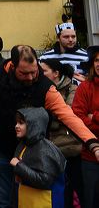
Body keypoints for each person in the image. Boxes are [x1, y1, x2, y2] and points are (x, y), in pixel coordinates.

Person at [0, 45, 99, 208]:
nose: (30, 77)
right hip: (0, 149)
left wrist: (92, 143)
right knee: (2, 202)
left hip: (33, 156)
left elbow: (69, 116)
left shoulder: (46, 87)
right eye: (24, 73)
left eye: (34, 71)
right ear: (13, 67)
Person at [40, 59, 83, 207]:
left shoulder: (72, 88)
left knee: (76, 192)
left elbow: (68, 115)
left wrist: (51, 117)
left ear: (56, 73)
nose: (40, 74)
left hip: (70, 149)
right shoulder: (40, 90)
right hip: (49, 151)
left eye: (44, 71)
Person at [11, 107, 66, 207]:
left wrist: (19, 166)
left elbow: (45, 181)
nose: (16, 126)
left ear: (33, 125)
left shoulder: (45, 149)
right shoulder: (23, 144)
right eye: (16, 123)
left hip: (43, 202)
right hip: (27, 200)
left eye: (21, 123)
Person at [72, 46, 99, 208]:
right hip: (90, 156)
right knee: (91, 199)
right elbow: (78, 118)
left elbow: (87, 117)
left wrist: (94, 116)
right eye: (97, 60)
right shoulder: (84, 88)